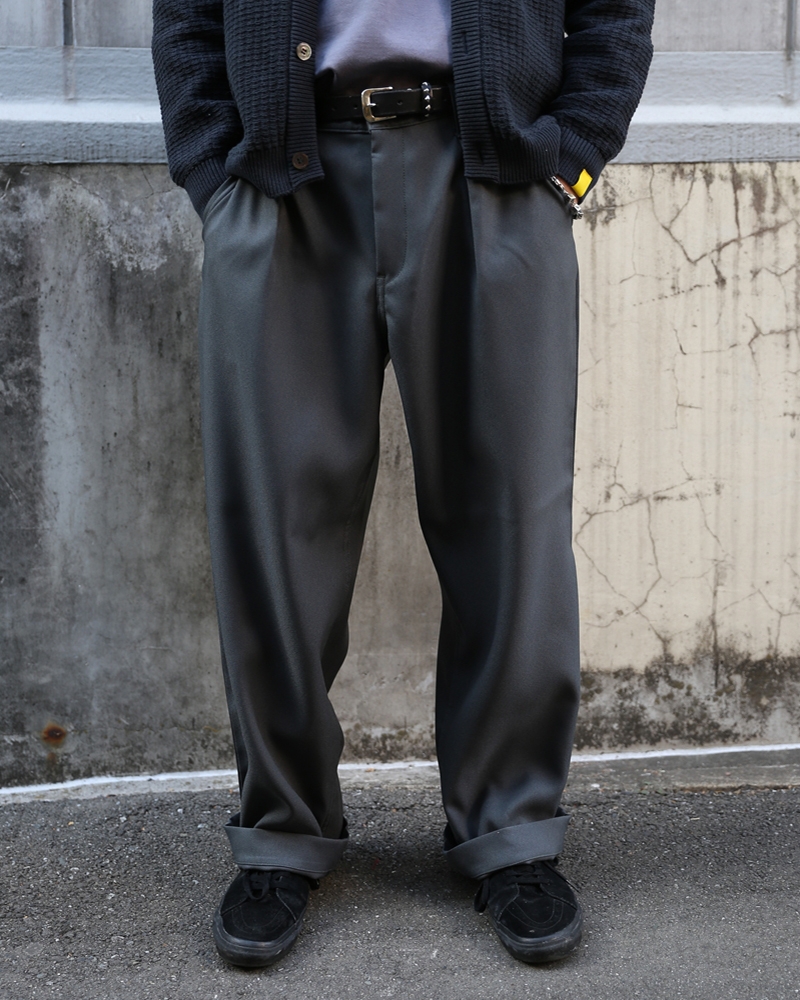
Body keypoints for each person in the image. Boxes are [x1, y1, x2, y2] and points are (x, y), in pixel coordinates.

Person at [152, 0, 654, 969]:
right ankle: (281, 833)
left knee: (511, 515)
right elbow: (185, 15)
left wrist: (575, 152)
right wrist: (213, 172)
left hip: (496, 172)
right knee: (272, 524)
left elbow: (613, 11)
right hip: (281, 174)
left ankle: (510, 830)